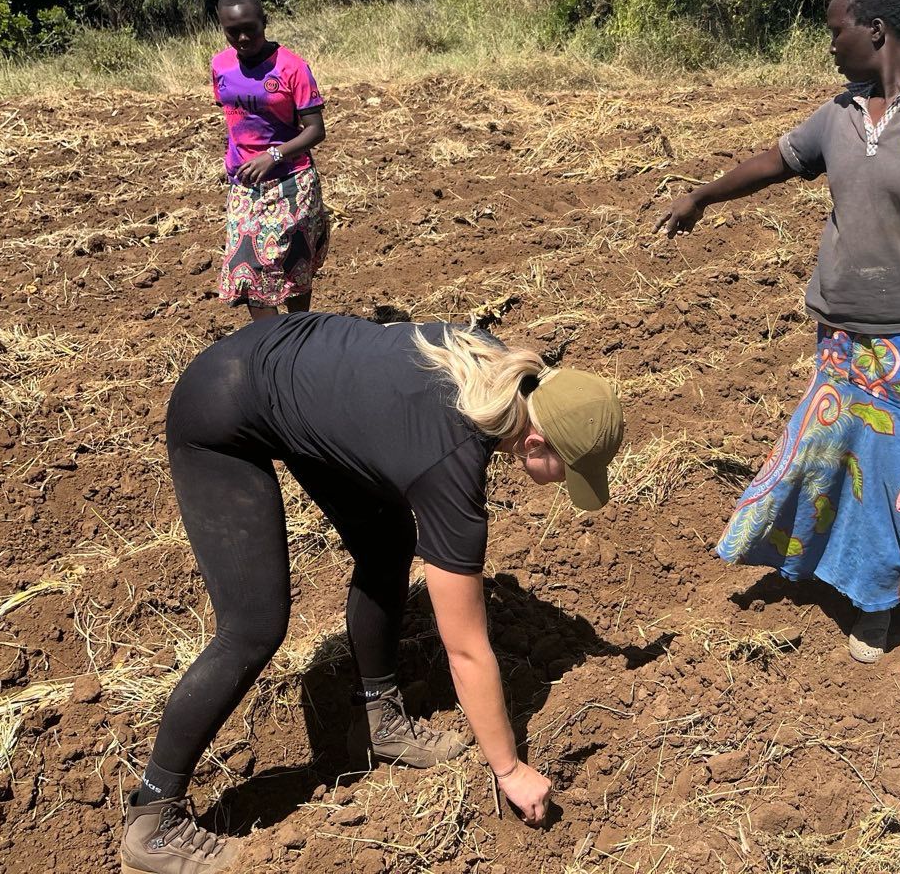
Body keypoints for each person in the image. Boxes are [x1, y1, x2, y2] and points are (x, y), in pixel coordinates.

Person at [120, 312, 625, 873]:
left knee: (387, 541)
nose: (562, 486)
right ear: (534, 441)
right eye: (567, 472)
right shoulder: (449, 459)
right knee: (253, 627)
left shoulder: (498, 368)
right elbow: (465, 650)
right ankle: (153, 819)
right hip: (221, 409)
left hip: (294, 375)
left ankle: (377, 720)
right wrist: (508, 769)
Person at [655, 0, 900, 663]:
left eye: (837, 31)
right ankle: (859, 586)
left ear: (876, 30)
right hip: (841, 332)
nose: (830, 45)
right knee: (838, 461)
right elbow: (777, 161)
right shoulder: (838, 114)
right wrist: (703, 195)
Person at [211, 0, 330, 322]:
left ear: (264, 21)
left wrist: (273, 155)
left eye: (251, 28)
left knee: (293, 269)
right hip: (245, 184)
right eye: (233, 31)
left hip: (292, 181)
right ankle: (272, 343)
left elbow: (315, 130)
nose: (243, 38)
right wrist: (236, 158)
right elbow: (235, 118)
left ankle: (296, 338)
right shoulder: (220, 66)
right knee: (247, 270)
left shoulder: (292, 67)